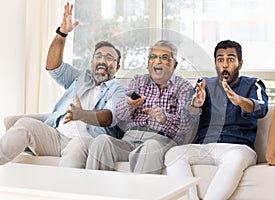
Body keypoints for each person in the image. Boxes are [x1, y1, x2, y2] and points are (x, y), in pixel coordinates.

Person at [0, 2, 126, 168]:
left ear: (117, 67)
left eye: (109, 58)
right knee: (24, 124)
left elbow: (109, 117)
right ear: (92, 61)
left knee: (77, 144)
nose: (102, 60)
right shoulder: (81, 78)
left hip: (86, 141)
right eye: (98, 56)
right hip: (56, 137)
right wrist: (62, 34)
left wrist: (82, 115)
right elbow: (53, 66)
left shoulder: (119, 90)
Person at [165, 40, 269, 200]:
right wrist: (196, 104)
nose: (225, 64)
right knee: (173, 154)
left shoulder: (252, 84)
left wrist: (240, 100)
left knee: (235, 158)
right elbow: (188, 113)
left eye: (230, 59)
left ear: (240, 63)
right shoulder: (204, 84)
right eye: (220, 60)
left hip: (238, 147)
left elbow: (262, 108)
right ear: (215, 63)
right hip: (206, 146)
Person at [85, 40, 195, 174]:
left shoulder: (183, 87)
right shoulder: (138, 81)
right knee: (101, 142)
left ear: (174, 64)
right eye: (153, 57)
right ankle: (94, 193)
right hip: (129, 139)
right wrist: (129, 105)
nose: (157, 61)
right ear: (148, 63)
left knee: (151, 146)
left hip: (161, 140)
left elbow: (185, 126)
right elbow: (120, 115)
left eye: (164, 58)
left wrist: (164, 119)